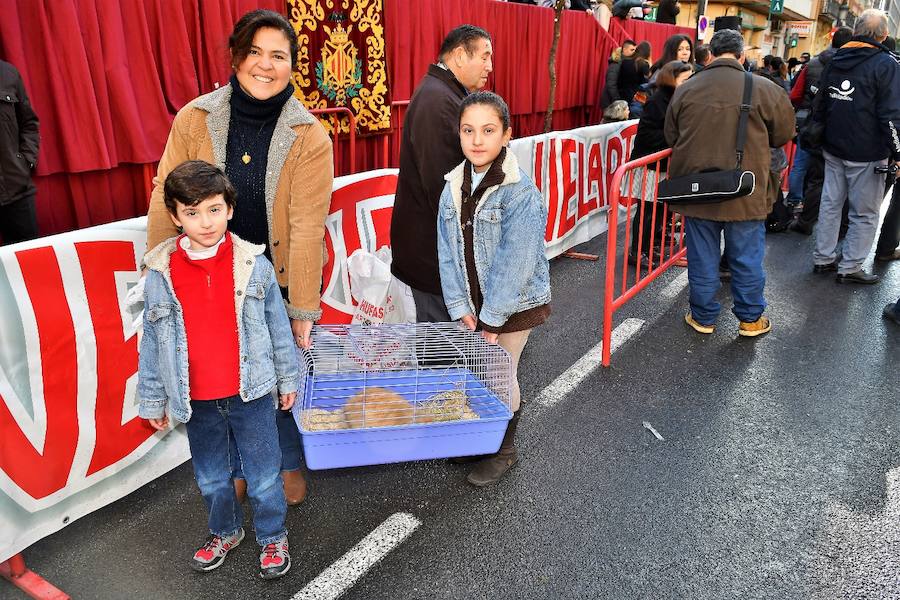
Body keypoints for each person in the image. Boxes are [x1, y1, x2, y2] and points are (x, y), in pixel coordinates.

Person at [145, 9, 333, 506]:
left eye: (279, 56)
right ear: (235, 57)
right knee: (217, 387)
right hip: (202, 278)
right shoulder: (196, 118)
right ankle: (238, 468)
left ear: (294, 65)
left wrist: (303, 311)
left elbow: (306, 227)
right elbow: (167, 195)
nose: (266, 66)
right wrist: (158, 270)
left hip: (270, 283)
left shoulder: (308, 136)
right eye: (255, 53)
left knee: (272, 383)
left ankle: (287, 463)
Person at [138, 160, 298, 579]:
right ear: (174, 217)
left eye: (213, 209)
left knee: (264, 476)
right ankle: (225, 531)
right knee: (211, 478)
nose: (204, 222)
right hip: (197, 401)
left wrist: (288, 378)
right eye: (191, 213)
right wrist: (154, 397)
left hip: (253, 393)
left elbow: (277, 328)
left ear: (229, 208)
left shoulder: (253, 265)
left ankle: (272, 535)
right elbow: (153, 342)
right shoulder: (160, 274)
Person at [437, 91, 551, 486]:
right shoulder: (453, 184)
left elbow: (515, 264)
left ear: (506, 135)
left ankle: (504, 450)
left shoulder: (520, 192)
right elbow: (446, 251)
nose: (477, 140)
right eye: (469, 130)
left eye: (488, 130)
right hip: (477, 303)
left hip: (515, 304)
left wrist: (492, 320)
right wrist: (458, 304)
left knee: (500, 372)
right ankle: (482, 438)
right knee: (481, 369)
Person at [665, 28, 794, 337]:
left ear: (710, 55)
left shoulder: (687, 88)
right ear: (741, 56)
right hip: (745, 190)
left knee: (702, 257)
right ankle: (750, 319)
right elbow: (783, 135)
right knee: (746, 258)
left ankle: (703, 317)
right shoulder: (763, 88)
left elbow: (672, 135)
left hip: (697, 189)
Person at [391, 25, 493, 323]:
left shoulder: (445, 94)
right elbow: (444, 191)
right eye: (485, 57)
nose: (490, 66)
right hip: (432, 262)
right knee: (441, 357)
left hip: (435, 257)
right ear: (460, 55)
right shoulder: (439, 102)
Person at [810, 9, 900, 284]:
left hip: (833, 146)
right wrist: (897, 151)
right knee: (865, 212)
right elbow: (891, 115)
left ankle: (823, 258)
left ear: (858, 31)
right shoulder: (886, 64)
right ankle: (849, 267)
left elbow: (821, 103)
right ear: (884, 35)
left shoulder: (836, 57)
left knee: (831, 204)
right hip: (867, 152)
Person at [787, 27, 854, 234]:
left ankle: (796, 204)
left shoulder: (813, 63)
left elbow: (795, 95)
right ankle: (833, 225)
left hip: (811, 124)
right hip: (840, 129)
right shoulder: (851, 66)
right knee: (837, 179)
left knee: (804, 167)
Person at [627, 60, 693, 266]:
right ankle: (637, 252)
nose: (689, 83)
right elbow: (647, 135)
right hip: (650, 165)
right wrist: (676, 137)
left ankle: (647, 248)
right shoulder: (657, 101)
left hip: (665, 164)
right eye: (685, 79)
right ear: (672, 79)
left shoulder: (678, 98)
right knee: (647, 211)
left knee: (660, 210)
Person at [0, 60, 40, 245]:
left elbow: (29, 124)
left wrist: (25, 162)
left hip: (17, 190)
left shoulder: (8, 74)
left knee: (29, 261)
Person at [619, 41, 652, 117]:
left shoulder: (625, 62)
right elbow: (646, 84)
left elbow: (620, 82)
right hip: (636, 99)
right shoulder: (644, 64)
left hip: (623, 96)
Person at [600, 40, 636, 108]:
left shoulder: (626, 63)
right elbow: (611, 84)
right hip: (611, 102)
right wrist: (618, 100)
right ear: (624, 49)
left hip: (617, 102)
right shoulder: (616, 63)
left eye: (635, 50)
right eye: (632, 50)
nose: (634, 52)